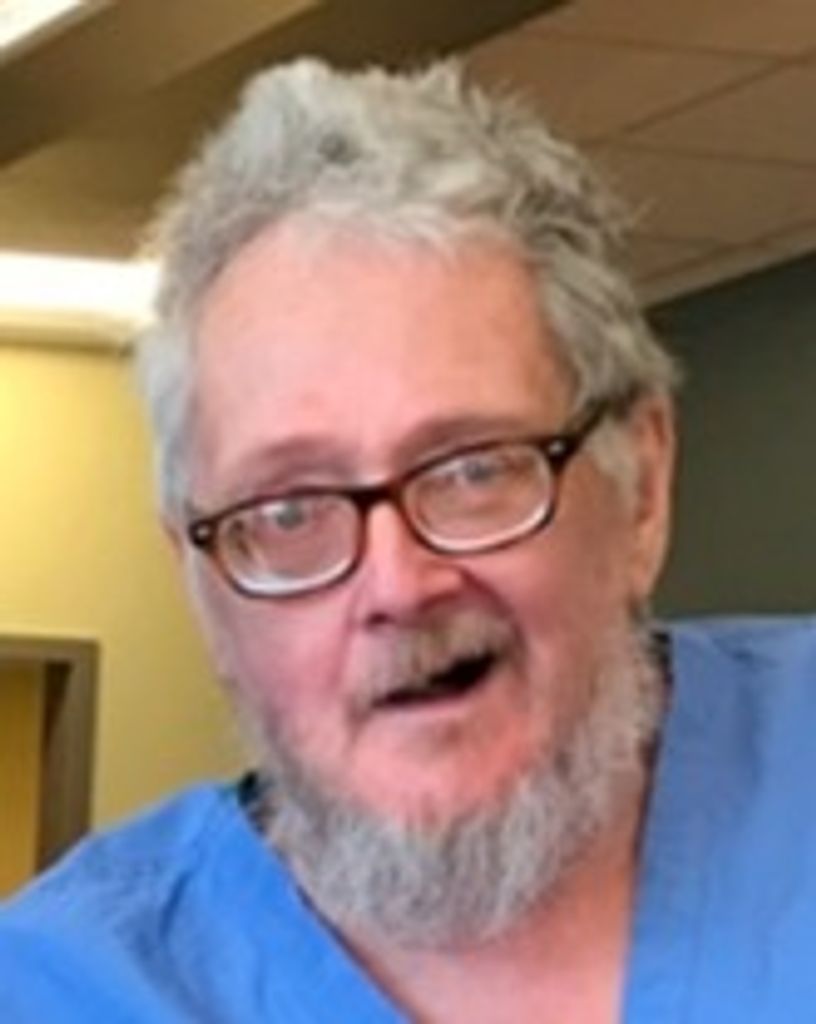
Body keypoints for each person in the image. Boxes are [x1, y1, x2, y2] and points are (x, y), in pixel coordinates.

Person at [1, 58, 815, 1024]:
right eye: (289, 512)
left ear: (641, 484)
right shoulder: (59, 991)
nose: (397, 584)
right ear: (202, 587)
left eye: (472, 469)